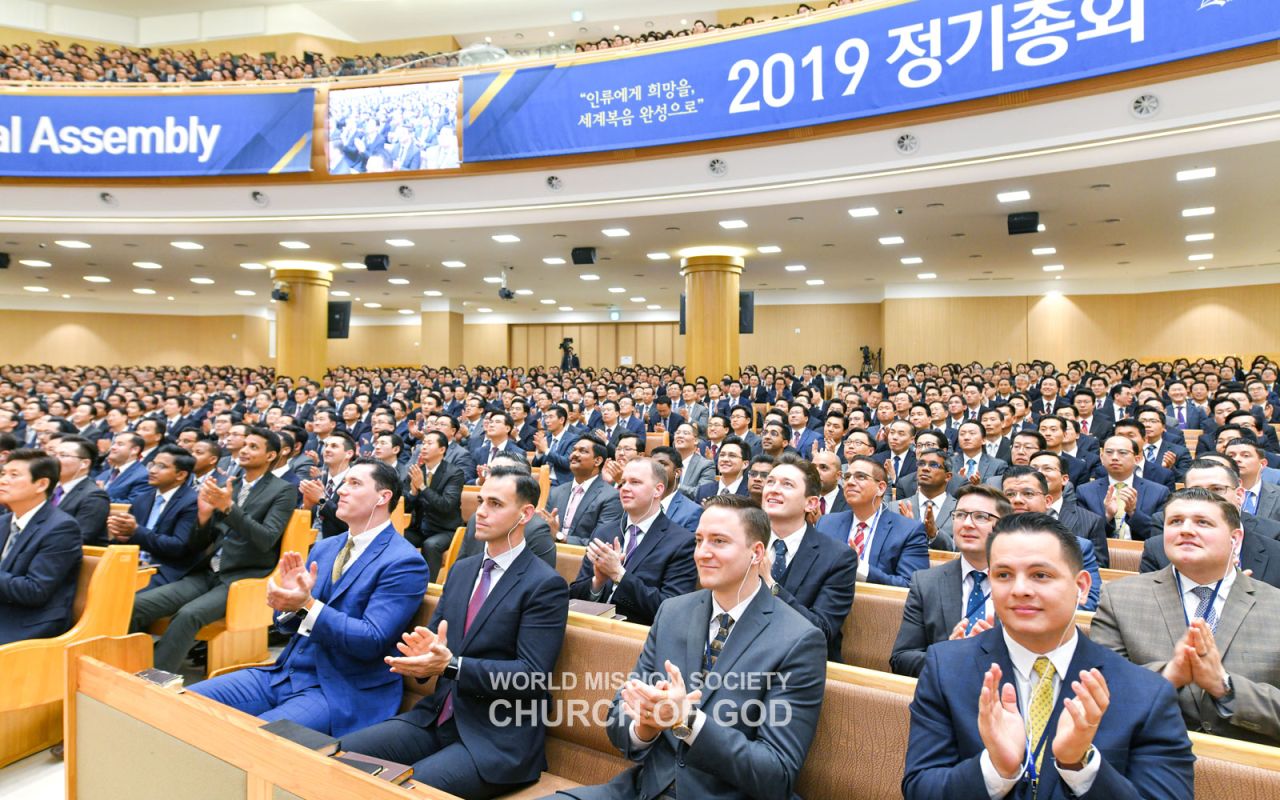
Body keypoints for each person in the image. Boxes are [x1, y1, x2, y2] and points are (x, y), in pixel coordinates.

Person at [547, 495, 826, 800]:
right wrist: (646, 725)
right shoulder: (673, 611)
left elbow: (776, 774)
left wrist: (688, 721)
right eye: (699, 540)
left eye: (719, 541)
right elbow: (619, 717)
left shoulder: (798, 639)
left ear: (756, 553)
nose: (702, 553)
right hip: (646, 789)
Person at [902, 512, 1195, 800]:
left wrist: (1080, 766)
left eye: (1040, 575)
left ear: (1081, 587)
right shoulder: (946, 668)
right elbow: (921, 788)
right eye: (1003, 575)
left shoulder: (1146, 692)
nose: (1020, 590)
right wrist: (995, 769)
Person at [341, 465, 569, 798]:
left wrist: (451, 666)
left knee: (408, 793)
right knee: (342, 756)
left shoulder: (544, 584)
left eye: (495, 504)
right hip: (437, 717)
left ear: (525, 514)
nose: (481, 512)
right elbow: (438, 645)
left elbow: (531, 676)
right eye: (480, 501)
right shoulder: (462, 570)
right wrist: (421, 657)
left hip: (496, 735)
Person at [188, 459, 429, 736]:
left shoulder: (403, 561)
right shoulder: (325, 548)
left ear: (383, 497)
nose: (341, 490)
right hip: (284, 674)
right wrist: (290, 603)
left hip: (339, 689)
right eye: (344, 482)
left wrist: (306, 605)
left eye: (355, 483)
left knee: (252, 739)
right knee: (184, 702)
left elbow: (370, 639)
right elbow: (286, 625)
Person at [1091, 487, 1280, 745]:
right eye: (1175, 521)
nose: (1186, 530)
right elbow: (1101, 689)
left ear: (1235, 539)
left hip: (1253, 762)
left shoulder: (1274, 605)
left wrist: (1224, 686)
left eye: (1203, 522)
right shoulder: (1119, 597)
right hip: (1149, 754)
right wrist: (1170, 675)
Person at [130, 427, 296, 672]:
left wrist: (229, 508)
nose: (244, 450)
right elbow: (201, 542)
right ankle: (126, 667)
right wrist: (204, 517)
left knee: (188, 615)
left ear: (271, 456)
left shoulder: (282, 490)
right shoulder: (229, 485)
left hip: (241, 577)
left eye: (253, 447)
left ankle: (154, 679)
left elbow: (266, 539)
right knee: (136, 605)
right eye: (244, 445)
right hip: (206, 572)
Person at [891, 484, 1010, 677]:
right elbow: (901, 659)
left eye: (980, 516)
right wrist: (949, 657)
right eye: (960, 515)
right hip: (943, 689)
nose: (967, 524)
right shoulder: (927, 583)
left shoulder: (1022, 586)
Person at [568, 458, 697, 625]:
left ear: (658, 490)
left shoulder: (682, 542)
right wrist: (597, 582)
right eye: (623, 482)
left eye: (635, 482)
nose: (625, 488)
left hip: (636, 634)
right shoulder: (604, 532)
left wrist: (619, 575)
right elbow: (574, 596)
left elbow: (670, 611)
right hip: (590, 628)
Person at [760, 453, 857, 659]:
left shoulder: (838, 557)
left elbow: (821, 629)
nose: (774, 489)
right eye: (770, 482)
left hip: (799, 661)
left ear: (811, 503)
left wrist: (769, 583)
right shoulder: (745, 543)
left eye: (787, 484)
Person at [0, 449, 83, 645]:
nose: (3, 480)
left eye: (14, 475)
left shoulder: (61, 527)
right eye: (3, 474)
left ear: (42, 484)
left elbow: (35, 590)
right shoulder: (3, 521)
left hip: (28, 620)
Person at [816, 456, 929, 587]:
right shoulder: (826, 524)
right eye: (847, 477)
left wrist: (860, 568)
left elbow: (912, 585)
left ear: (881, 488)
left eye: (860, 477)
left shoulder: (909, 531)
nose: (850, 482)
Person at [106, 444, 199, 588]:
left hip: (164, 570)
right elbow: (132, 537)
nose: (152, 470)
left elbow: (178, 547)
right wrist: (121, 536)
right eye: (152, 464)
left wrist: (135, 531)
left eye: (161, 466)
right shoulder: (142, 499)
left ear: (181, 475)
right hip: (132, 564)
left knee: (119, 592)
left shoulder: (192, 502)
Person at [540, 435, 623, 545]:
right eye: (573, 450)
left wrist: (560, 536)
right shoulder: (556, 492)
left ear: (597, 461)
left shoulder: (611, 496)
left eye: (583, 451)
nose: (574, 454)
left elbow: (602, 542)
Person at [406, 430, 465, 578]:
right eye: (423, 443)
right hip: (420, 528)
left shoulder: (454, 473)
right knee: (396, 537)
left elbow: (446, 505)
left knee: (431, 545)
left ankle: (428, 585)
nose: (424, 447)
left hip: (445, 529)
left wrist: (422, 487)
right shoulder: (417, 471)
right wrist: (413, 493)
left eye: (429, 443)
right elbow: (405, 508)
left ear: (442, 449)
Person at [51, 435, 110, 545]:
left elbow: (79, 538)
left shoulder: (94, 496)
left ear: (84, 463)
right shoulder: (47, 490)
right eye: (54, 455)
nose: (54, 460)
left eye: (63, 455)